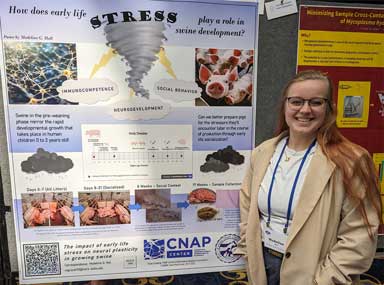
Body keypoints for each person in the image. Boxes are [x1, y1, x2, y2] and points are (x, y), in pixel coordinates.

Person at [235, 70, 382, 285]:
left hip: (315, 274)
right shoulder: (263, 152)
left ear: (329, 108)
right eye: (296, 102)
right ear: (285, 106)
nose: (305, 110)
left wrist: (325, 280)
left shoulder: (352, 161)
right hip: (264, 267)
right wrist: (250, 252)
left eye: (316, 102)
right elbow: (247, 207)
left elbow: (360, 235)